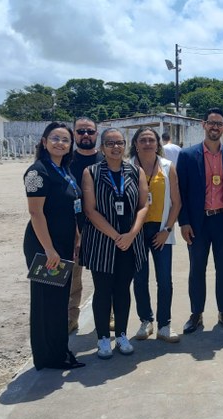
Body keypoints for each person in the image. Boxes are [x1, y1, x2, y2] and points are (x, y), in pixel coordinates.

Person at [81, 128, 149, 359]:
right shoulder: (91, 172)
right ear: (102, 147)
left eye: (119, 143)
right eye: (110, 143)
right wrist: (115, 235)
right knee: (103, 291)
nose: (115, 147)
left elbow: (143, 206)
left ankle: (121, 334)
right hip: (102, 242)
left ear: (125, 145)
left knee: (122, 289)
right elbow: (90, 210)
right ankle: (102, 337)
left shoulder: (135, 171)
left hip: (129, 242)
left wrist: (130, 234)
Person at [22, 122, 85, 370]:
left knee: (59, 300)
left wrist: (76, 238)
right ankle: (48, 357)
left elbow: (72, 207)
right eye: (55, 138)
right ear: (44, 141)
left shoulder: (64, 169)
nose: (60, 143)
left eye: (65, 139)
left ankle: (59, 351)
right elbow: (36, 213)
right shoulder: (38, 172)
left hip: (63, 243)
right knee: (46, 301)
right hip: (45, 245)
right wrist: (49, 250)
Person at [177, 107, 223, 334]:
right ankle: (196, 314)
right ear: (204, 125)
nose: (215, 127)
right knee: (197, 269)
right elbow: (180, 192)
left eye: (219, 123)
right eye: (211, 123)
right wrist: (183, 222)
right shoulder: (187, 155)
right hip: (197, 223)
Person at [130, 127, 182, 342]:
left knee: (165, 279)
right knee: (140, 278)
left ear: (158, 143)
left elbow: (176, 203)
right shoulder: (128, 167)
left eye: (151, 140)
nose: (148, 143)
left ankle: (165, 324)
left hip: (161, 230)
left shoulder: (168, 166)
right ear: (136, 144)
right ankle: (146, 321)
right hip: (137, 231)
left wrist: (167, 230)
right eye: (143, 140)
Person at [68, 117, 103, 333]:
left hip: (102, 228)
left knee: (104, 276)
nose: (86, 135)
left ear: (96, 134)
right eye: (81, 131)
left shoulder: (106, 159)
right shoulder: (65, 162)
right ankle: (71, 318)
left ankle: (107, 314)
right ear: (74, 134)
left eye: (90, 131)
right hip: (72, 229)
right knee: (73, 279)